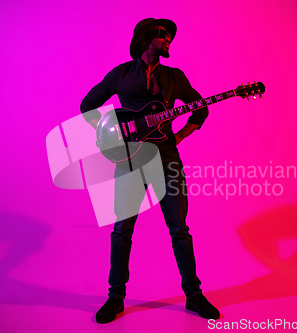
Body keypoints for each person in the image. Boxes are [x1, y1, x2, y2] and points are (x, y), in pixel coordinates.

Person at [80, 18, 220, 323]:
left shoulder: (174, 77)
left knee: (179, 229)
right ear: (147, 38)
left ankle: (193, 295)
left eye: (170, 36)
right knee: (122, 230)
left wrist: (180, 136)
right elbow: (88, 104)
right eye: (163, 36)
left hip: (167, 158)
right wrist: (108, 136)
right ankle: (116, 296)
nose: (168, 40)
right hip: (130, 160)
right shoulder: (121, 74)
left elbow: (201, 106)